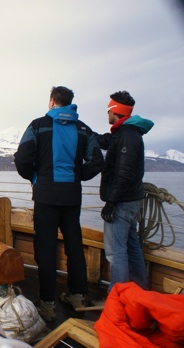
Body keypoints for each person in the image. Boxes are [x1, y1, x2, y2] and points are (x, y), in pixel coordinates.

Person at [14, 86, 104, 322]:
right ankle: (77, 296)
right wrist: (78, 175)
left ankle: (47, 303)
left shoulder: (38, 125)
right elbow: (96, 161)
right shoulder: (83, 129)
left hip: (45, 195)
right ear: (70, 103)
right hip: (72, 195)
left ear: (52, 101)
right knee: (74, 244)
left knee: (45, 247)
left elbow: (22, 158)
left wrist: (34, 176)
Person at [97, 90, 154, 293]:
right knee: (131, 246)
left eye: (108, 110)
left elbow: (124, 172)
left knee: (115, 253)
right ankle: (140, 291)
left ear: (115, 111)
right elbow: (108, 141)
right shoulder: (126, 133)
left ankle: (118, 299)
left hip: (121, 202)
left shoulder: (128, 136)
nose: (107, 114)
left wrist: (111, 202)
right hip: (130, 201)